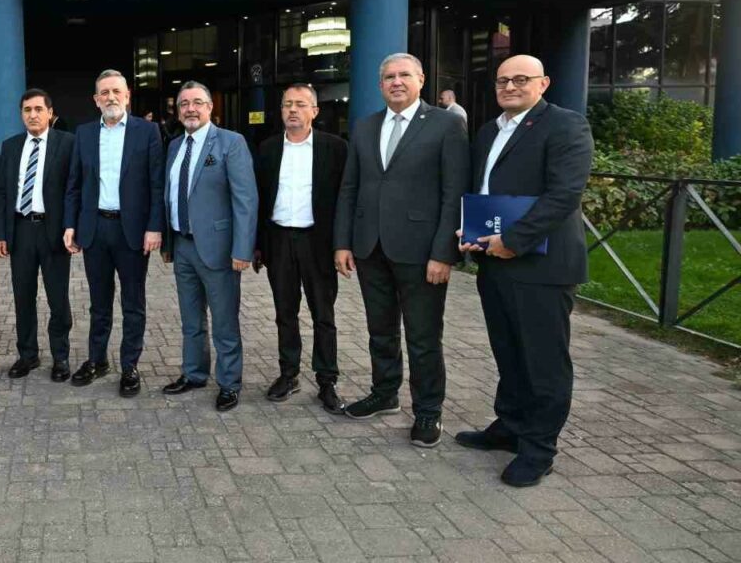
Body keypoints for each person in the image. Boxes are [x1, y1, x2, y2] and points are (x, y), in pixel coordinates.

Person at [456, 55, 593, 488]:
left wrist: (513, 240)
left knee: (544, 361)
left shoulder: (565, 125)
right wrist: (472, 230)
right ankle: (510, 426)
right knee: (509, 352)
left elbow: (564, 194)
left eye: (520, 79)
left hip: (541, 266)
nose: (510, 86)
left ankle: (538, 448)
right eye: (502, 80)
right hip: (495, 264)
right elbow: (485, 191)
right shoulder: (488, 131)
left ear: (543, 83)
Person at [333, 53, 468, 448]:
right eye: (389, 76)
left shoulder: (446, 124)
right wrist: (343, 242)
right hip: (369, 247)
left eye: (404, 75)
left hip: (421, 252)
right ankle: (384, 393)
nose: (396, 82)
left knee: (423, 337)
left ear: (421, 79)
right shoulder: (365, 126)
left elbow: (454, 191)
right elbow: (350, 188)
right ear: (380, 85)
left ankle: (428, 410)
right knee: (380, 330)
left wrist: (444, 252)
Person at [64, 69, 165, 397]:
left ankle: (129, 365)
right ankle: (97, 360)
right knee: (99, 303)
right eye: (104, 92)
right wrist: (71, 225)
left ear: (127, 96)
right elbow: (74, 184)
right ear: (96, 100)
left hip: (132, 231)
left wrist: (154, 226)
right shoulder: (84, 133)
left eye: (116, 91)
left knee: (133, 303)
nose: (111, 97)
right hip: (95, 229)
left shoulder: (147, 131)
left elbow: (156, 184)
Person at [160, 82, 257, 412]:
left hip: (219, 249)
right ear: (177, 110)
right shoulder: (174, 145)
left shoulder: (231, 142)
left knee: (224, 322)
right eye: (184, 103)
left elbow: (245, 200)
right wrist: (168, 242)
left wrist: (242, 249)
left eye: (197, 102)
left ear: (210, 107)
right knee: (191, 320)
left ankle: (229, 383)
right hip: (183, 245)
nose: (190, 108)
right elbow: (170, 195)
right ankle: (194, 373)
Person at [253, 83, 347, 413]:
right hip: (279, 241)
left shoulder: (335, 148)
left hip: (318, 243)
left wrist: (342, 245)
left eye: (300, 104)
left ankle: (327, 381)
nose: (293, 110)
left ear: (315, 111)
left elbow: (345, 200)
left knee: (324, 314)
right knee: (285, 313)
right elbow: (258, 199)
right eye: (287, 104)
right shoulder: (267, 149)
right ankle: (288, 374)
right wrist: (257, 245)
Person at [0, 89, 76, 382]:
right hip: (21, 230)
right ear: (21, 114)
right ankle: (27, 355)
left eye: (38, 109)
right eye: (27, 110)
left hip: (53, 232)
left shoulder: (67, 143)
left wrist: (72, 227)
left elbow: (73, 188)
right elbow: (2, 192)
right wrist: (1, 233)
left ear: (50, 113)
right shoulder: (11, 146)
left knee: (58, 298)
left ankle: (60, 356)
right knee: (23, 297)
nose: (33, 115)